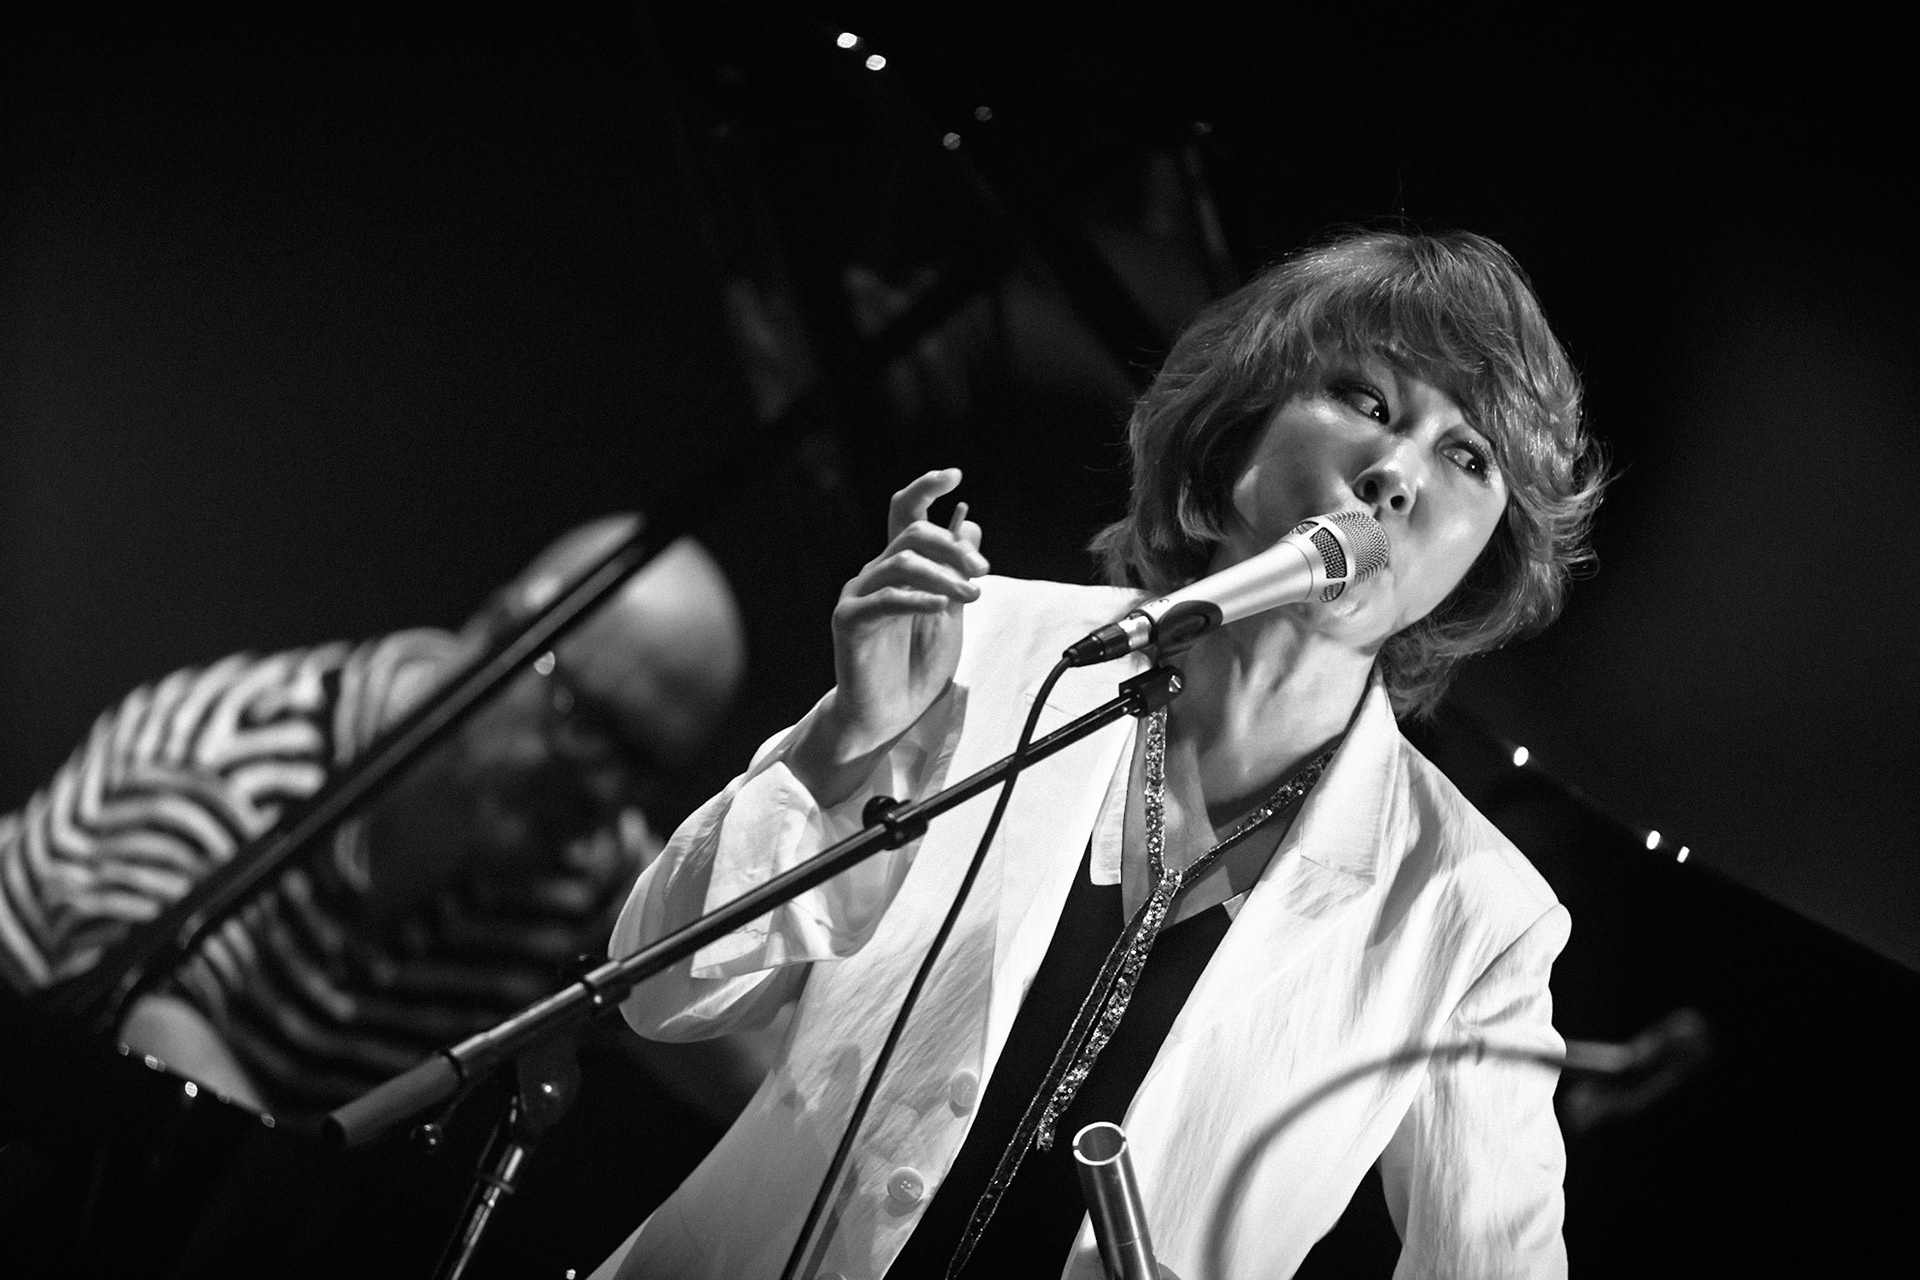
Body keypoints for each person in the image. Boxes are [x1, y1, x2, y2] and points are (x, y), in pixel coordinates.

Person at [595, 229, 1604, 1279]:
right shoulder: (984, 643)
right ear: (1241, 430)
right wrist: (841, 746)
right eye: (1367, 401)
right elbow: (664, 992)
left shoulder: (1474, 910)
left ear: (1487, 553)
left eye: (1468, 456)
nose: (1396, 473)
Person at [0, 518, 749, 1114]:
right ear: (502, 634)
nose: (602, 794)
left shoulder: (577, 865)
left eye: (641, 770)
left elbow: (748, 1060)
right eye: (588, 727)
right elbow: (144, 1028)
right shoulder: (235, 758)